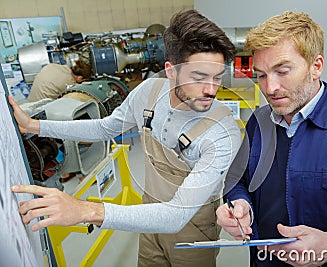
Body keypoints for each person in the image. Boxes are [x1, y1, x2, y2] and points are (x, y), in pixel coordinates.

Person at [10, 9, 241, 267]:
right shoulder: (149, 92)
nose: (211, 90)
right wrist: (35, 125)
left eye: (217, 78)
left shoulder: (221, 132)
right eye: (199, 77)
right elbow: (105, 128)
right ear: (171, 71)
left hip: (192, 229)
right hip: (148, 216)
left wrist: (86, 210)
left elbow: (176, 215)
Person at [216, 11, 327, 267]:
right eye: (261, 75)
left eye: (282, 71)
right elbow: (239, 182)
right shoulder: (257, 124)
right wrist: (239, 205)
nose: (270, 88)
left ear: (316, 66)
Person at [27, 59, 92, 102]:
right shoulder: (69, 83)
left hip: (29, 102)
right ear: (80, 78)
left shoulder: (53, 66)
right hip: (40, 110)